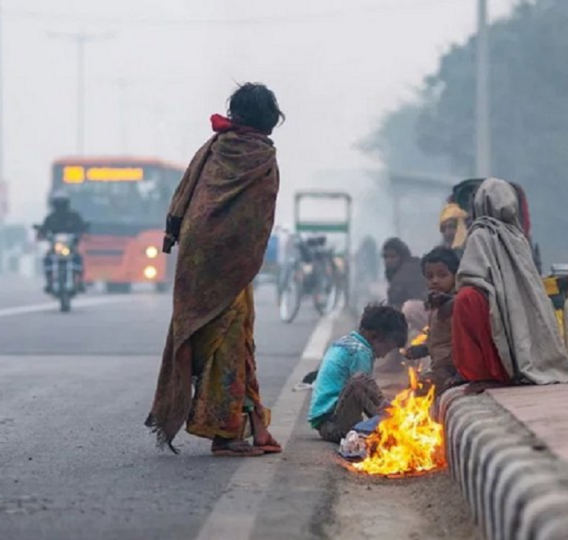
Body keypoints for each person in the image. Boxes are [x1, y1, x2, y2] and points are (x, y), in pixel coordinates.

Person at [145, 83, 284, 457]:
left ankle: (257, 427)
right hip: (231, 263)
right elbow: (256, 221)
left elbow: (185, 198)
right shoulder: (260, 157)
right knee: (229, 341)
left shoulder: (214, 149)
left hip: (196, 258)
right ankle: (227, 435)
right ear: (268, 119)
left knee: (232, 339)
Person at [453, 178, 568, 385]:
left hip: (492, 310)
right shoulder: (518, 237)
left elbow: (469, 277)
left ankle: (485, 373)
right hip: (514, 311)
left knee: (466, 298)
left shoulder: (480, 233)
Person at [308, 304, 408, 444]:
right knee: (360, 381)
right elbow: (362, 389)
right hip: (333, 425)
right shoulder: (361, 352)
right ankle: (390, 426)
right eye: (388, 348)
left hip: (326, 422)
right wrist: (385, 414)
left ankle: (388, 421)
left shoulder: (348, 342)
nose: (385, 354)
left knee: (367, 387)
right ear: (375, 336)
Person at [404, 247, 461, 394]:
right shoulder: (435, 304)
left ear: (455, 276)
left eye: (442, 275)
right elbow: (439, 341)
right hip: (440, 368)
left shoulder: (458, 304)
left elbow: (465, 344)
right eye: (430, 276)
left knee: (417, 393)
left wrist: (460, 375)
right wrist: (422, 349)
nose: (435, 281)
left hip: (454, 371)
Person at [37, 191, 87, 293]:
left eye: (62, 203)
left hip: (70, 246)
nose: (60, 205)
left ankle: (80, 282)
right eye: (58, 203)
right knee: (47, 259)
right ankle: (49, 282)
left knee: (78, 259)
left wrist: (80, 233)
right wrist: (42, 233)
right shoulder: (50, 218)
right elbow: (44, 229)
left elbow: (81, 226)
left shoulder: (74, 216)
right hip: (56, 247)